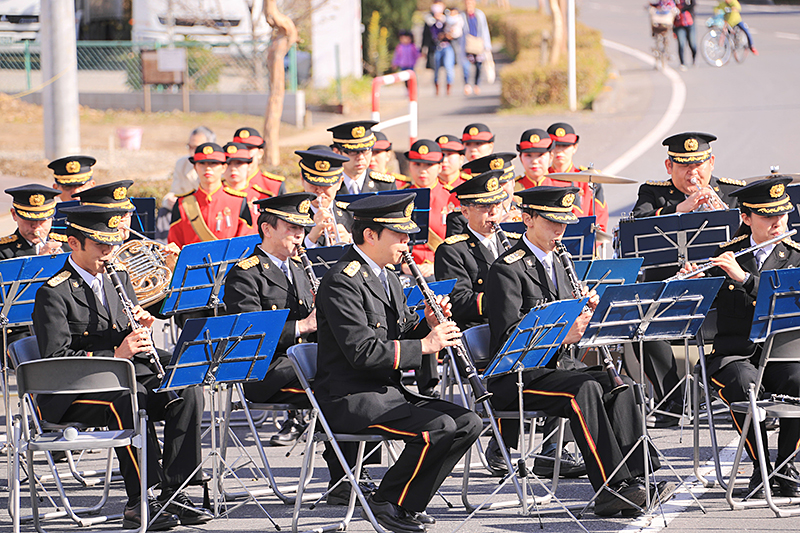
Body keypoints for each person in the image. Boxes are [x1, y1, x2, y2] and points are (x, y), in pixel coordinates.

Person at [485, 186, 671, 517]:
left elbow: (568, 324)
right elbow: (508, 337)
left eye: (564, 224)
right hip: (516, 376)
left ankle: (639, 479)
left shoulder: (559, 260)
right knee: (583, 389)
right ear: (527, 219)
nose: (560, 231)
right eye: (552, 223)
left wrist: (586, 312)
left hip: (558, 369)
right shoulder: (506, 269)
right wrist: (562, 333)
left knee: (620, 383)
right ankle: (611, 487)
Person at [32, 205, 212, 530]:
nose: (109, 251)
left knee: (185, 387)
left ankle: (177, 490)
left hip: (122, 375)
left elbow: (126, 338)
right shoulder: (53, 293)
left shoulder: (119, 276)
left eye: (112, 243)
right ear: (74, 243)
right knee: (130, 400)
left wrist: (142, 328)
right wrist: (117, 353)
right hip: (71, 393)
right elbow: (56, 360)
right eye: (100, 244)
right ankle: (141, 499)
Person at [314, 192, 482, 532]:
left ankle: (406, 502)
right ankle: (385, 501)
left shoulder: (387, 276)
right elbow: (361, 352)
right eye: (399, 236)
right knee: (438, 428)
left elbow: (401, 328)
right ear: (370, 235)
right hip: (351, 398)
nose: (406, 243)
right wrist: (424, 344)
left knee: (468, 422)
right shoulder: (341, 281)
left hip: (384, 393)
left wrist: (428, 323)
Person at [683, 177, 800, 498]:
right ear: (746, 218)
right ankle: (761, 468)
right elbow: (698, 310)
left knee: (799, 379)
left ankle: (785, 463)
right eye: (768, 216)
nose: (778, 223)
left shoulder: (797, 256)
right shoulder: (726, 255)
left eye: (783, 215)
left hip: (781, 355)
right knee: (746, 387)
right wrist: (689, 286)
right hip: (733, 355)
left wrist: (745, 279)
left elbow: (785, 299)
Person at [632, 132, 744, 426]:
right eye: (684, 166)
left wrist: (723, 211)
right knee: (634, 319)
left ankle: (743, 393)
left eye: (699, 164)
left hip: (721, 289)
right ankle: (672, 399)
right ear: (669, 167)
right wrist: (680, 209)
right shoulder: (653, 193)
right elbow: (637, 224)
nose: (693, 173)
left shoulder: (732, 193)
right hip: (673, 291)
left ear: (712, 162)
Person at [223, 193, 317, 447]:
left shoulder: (299, 268)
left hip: (304, 364)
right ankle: (346, 473)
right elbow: (250, 334)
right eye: (292, 227)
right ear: (267, 228)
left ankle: (355, 470)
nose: (300, 234)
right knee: (340, 390)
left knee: (356, 379)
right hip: (267, 373)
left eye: (302, 228)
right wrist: (304, 325)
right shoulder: (245, 274)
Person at [434, 169, 517, 333]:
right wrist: (507, 300)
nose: (493, 212)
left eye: (497, 205)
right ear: (465, 212)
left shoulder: (514, 242)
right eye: (484, 206)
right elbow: (457, 301)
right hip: (481, 331)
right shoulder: (452, 251)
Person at [168, 142, 253, 248]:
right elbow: (174, 245)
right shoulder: (183, 204)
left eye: (213, 163)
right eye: (202, 163)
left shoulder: (238, 202)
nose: (207, 168)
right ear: (195, 167)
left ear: (224, 167)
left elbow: (246, 243)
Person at [401, 139, 453, 278]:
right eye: (417, 164)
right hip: (408, 271)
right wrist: (403, 265)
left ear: (440, 167)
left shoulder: (452, 197)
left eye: (429, 165)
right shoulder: (400, 197)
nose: (422, 170)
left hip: (443, 269)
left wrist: (436, 265)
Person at [547, 122, 609, 232]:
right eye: (555, 145)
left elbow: (600, 220)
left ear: (575, 147)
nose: (559, 150)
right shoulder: (542, 179)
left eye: (565, 146)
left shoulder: (588, 179)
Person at [446, 152, 520, 237]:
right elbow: (458, 248)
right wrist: (498, 226)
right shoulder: (460, 218)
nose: (499, 190)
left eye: (503, 183)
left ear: (513, 182)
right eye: (494, 185)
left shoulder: (525, 212)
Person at [296, 149, 354, 248]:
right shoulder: (293, 215)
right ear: (302, 180)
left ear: (340, 182)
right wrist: (310, 239)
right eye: (313, 184)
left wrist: (350, 240)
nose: (319, 190)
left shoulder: (351, 214)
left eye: (327, 185)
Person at [328, 121, 396, 195]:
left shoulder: (385, 186)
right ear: (337, 152)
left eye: (365, 151)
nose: (360, 157)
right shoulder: (328, 185)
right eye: (352, 152)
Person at [0, 184, 63, 258]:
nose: (36, 227)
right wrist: (40, 261)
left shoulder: (66, 245)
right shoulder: (3, 251)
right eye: (29, 220)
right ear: (14, 214)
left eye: (43, 220)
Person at [232, 127, 287, 198]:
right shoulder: (222, 185)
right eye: (240, 149)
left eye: (249, 149)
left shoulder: (274, 186)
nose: (244, 154)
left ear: (260, 153)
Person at [169, 126, 215, 200]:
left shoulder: (219, 166)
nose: (192, 152)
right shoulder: (182, 164)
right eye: (190, 147)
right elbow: (175, 191)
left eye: (197, 148)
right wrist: (169, 201)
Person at [422, 1, 458, 96]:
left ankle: (448, 89)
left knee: (448, 67)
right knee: (436, 69)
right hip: (435, 48)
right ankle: (437, 89)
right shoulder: (429, 20)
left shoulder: (448, 18)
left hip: (447, 46)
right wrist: (424, 49)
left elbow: (455, 31)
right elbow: (426, 36)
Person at [459, 0, 492, 96]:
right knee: (466, 65)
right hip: (466, 44)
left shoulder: (479, 14)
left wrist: (487, 45)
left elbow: (484, 29)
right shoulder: (462, 16)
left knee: (478, 65)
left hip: (478, 43)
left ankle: (477, 84)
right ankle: (467, 84)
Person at [222, 141, 260, 220]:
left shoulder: (260, 195)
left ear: (248, 165)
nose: (233, 169)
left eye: (238, 163)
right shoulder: (214, 196)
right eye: (228, 164)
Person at [673, 0, 697, 70]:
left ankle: (694, 58)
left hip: (689, 23)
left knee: (692, 44)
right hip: (679, 24)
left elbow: (693, 4)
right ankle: (682, 62)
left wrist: (682, 8)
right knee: (681, 43)